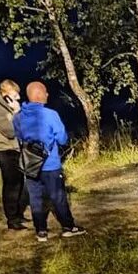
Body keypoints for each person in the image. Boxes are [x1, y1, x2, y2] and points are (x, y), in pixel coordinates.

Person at [12, 81, 85, 242]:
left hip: (30, 164)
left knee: (35, 198)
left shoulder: (18, 117)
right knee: (58, 196)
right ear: (39, 95)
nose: (47, 95)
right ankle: (68, 227)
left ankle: (41, 232)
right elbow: (62, 138)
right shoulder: (50, 115)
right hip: (50, 165)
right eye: (45, 92)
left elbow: (18, 137)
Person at [0, 79, 30, 230]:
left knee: (19, 182)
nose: (18, 97)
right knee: (11, 184)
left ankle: (18, 214)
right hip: (5, 149)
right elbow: (10, 131)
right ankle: (12, 219)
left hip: (15, 148)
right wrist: (17, 113)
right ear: (5, 94)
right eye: (15, 93)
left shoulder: (8, 106)